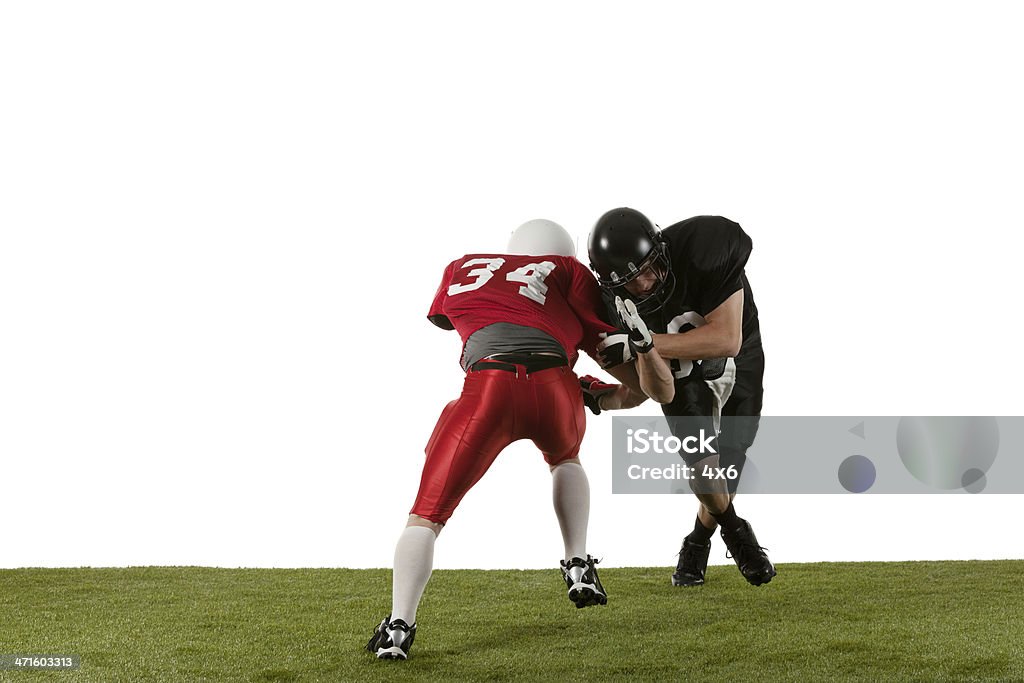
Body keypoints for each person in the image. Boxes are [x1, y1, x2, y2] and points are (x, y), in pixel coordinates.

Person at [366, 219, 675, 660]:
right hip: (554, 384)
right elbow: (628, 377)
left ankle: (400, 625)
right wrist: (608, 380)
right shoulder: (569, 272)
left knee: (427, 516)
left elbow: (459, 318)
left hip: (487, 385)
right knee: (566, 458)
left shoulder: (462, 266)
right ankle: (578, 561)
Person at [587, 207, 775, 588]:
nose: (647, 281)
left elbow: (727, 339)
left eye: (649, 266)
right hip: (681, 375)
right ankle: (735, 531)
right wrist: (641, 350)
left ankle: (697, 541)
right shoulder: (611, 307)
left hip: (739, 360)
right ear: (613, 284)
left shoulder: (705, 246)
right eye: (632, 278)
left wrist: (646, 342)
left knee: (732, 461)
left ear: (660, 247)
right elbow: (655, 391)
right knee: (706, 470)